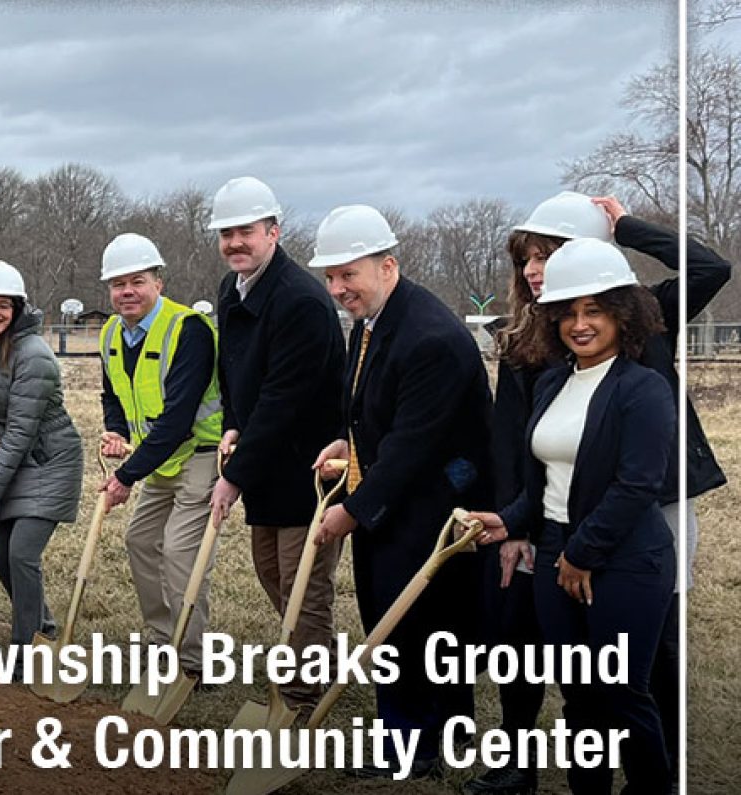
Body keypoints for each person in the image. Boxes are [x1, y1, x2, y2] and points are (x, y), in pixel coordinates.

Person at [477, 192, 729, 793]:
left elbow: (710, 268)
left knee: (641, 662)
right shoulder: (535, 343)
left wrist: (626, 228)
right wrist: (515, 522)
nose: (534, 270)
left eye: (549, 255)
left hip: (643, 511)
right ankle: (528, 764)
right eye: (527, 259)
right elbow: (518, 444)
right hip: (556, 516)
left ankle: (658, 770)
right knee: (564, 669)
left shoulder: (647, 329)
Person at [308, 205, 490, 779]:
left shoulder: (429, 337)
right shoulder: (372, 322)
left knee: (415, 625)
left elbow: (413, 445)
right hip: (397, 498)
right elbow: (372, 410)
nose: (338, 289)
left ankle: (415, 744)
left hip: (432, 504)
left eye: (349, 274)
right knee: (400, 623)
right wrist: (347, 443)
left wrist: (352, 511)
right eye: (330, 277)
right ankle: (429, 734)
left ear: (387, 266)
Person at [205, 177, 347, 714]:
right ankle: (320, 657)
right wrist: (232, 425)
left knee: (303, 584)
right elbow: (235, 372)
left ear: (273, 231)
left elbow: (285, 398)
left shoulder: (299, 301)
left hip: (308, 467)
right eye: (227, 233)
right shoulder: (233, 289)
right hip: (264, 457)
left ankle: (300, 700)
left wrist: (234, 476)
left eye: (245, 231)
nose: (235, 242)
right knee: (272, 573)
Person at [94, 233, 221, 678]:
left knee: (181, 554)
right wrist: (114, 428)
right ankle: (162, 638)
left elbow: (179, 418)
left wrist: (125, 475)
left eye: (137, 281)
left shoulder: (189, 329)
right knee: (141, 541)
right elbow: (111, 393)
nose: (127, 291)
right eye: (118, 284)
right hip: (160, 459)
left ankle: (193, 661)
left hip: (201, 452)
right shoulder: (111, 333)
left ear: (158, 284)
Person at [0, 260, 83, 656]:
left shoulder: (33, 356)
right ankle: (41, 627)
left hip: (50, 463)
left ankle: (25, 649)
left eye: (3, 305)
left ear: (17, 309)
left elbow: (19, 433)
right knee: (2, 558)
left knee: (21, 554)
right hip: (15, 462)